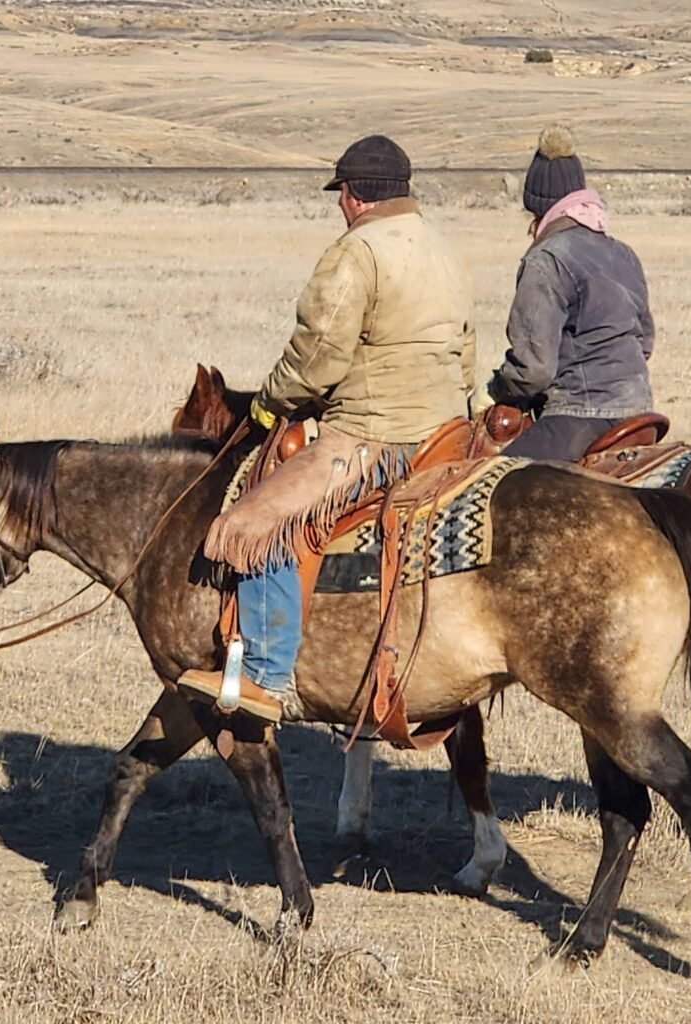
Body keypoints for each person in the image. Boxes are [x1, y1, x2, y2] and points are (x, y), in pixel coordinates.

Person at [181, 135, 477, 723]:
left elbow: (317, 357)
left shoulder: (357, 252)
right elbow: (466, 352)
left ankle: (265, 676)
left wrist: (268, 405)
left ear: (355, 194)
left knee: (254, 523)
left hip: (374, 435)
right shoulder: (444, 246)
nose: (340, 206)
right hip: (447, 432)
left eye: (340, 193)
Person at [488, 126, 655, 461]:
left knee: (495, 484)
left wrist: (497, 389)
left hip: (581, 415)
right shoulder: (622, 252)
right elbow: (645, 341)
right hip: (640, 412)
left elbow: (533, 370)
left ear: (537, 209)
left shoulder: (546, 259)